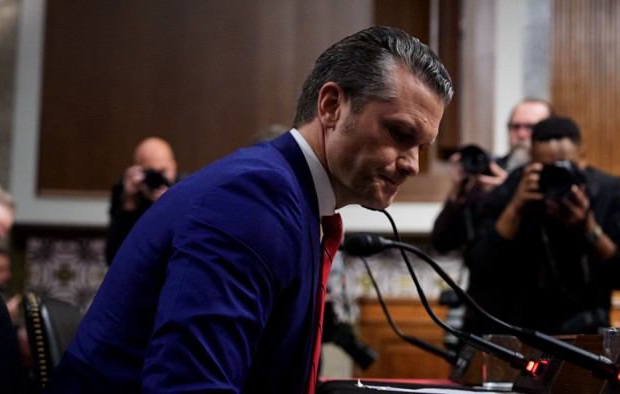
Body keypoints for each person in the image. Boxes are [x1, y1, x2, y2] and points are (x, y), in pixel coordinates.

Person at [43, 26, 453, 393]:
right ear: (331, 107)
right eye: (401, 134)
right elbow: (190, 387)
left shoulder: (290, 196)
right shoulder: (255, 198)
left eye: (422, 147)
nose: (412, 164)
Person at [462, 116, 620, 336]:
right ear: (531, 160)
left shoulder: (608, 191)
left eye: (566, 167)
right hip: (519, 328)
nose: (556, 176)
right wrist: (516, 207)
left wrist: (589, 228)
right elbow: (479, 266)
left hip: (587, 331)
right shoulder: (512, 188)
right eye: (546, 168)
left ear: (582, 157)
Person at [431, 99, 551, 254]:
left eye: (531, 127)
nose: (521, 134)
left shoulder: (554, 177)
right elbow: (442, 242)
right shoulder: (488, 172)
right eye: (515, 127)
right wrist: (457, 192)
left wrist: (506, 192)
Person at [105, 136, 181, 264]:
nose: (158, 177)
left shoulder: (184, 189)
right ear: (139, 170)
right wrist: (129, 203)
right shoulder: (126, 191)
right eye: (151, 172)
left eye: (162, 171)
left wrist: (171, 205)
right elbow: (113, 257)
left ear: (174, 166)